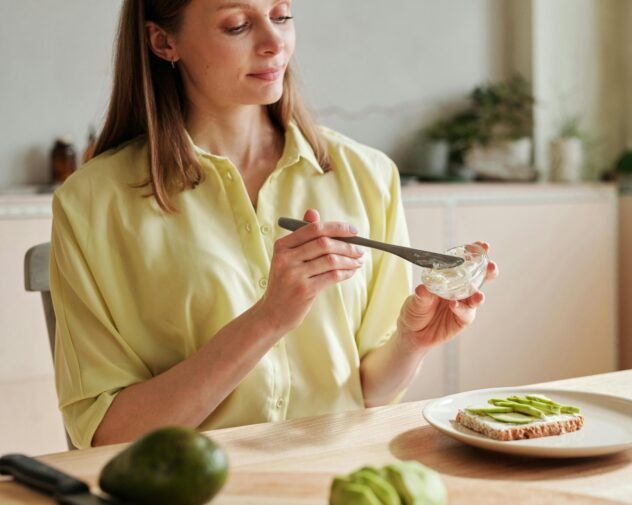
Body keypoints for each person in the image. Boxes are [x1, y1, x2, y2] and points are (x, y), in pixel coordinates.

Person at [49, 0, 498, 449]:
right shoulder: (91, 203)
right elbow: (108, 434)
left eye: (281, 15)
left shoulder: (369, 176)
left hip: (337, 480)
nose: (274, 42)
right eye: (238, 25)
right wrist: (269, 318)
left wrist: (411, 343)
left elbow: (366, 395)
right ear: (164, 41)